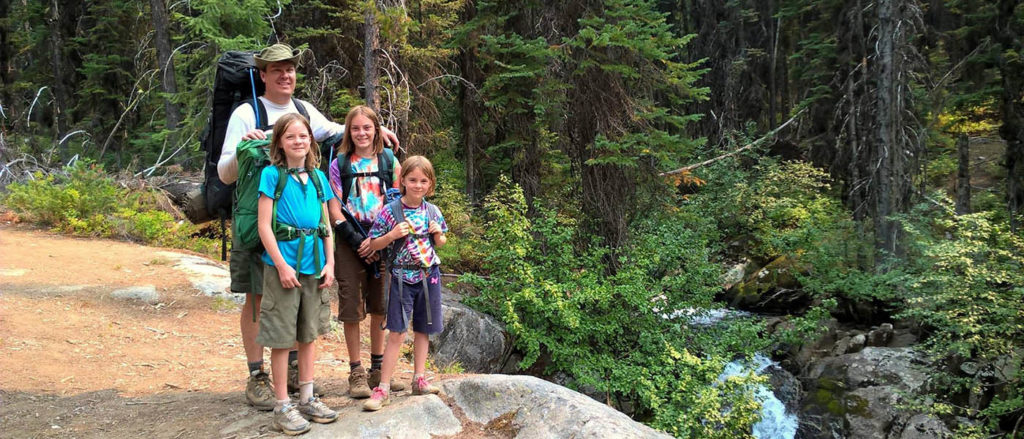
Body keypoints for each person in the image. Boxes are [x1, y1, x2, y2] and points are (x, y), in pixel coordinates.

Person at [216, 43, 399, 409]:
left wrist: (381, 133)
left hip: (303, 234)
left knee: (301, 296)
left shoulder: (303, 111)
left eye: (290, 69)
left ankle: (298, 375)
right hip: (258, 223)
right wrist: (242, 148)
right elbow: (223, 174)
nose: (286, 75)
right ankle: (258, 377)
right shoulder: (245, 114)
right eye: (277, 69)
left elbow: (338, 129)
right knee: (256, 298)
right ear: (262, 74)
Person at [256, 113, 338, 435]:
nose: (298, 142)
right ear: (279, 143)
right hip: (284, 267)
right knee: (281, 337)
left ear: (311, 141)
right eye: (290, 137)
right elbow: (265, 225)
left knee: (308, 334)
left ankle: (306, 396)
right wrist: (280, 264)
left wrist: (330, 263)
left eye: (303, 136)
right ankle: (282, 405)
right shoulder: (271, 176)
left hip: (314, 267)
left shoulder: (318, 177)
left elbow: (326, 226)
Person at [327, 106, 408, 398]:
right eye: (355, 128)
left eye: (367, 128)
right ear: (348, 132)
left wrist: (380, 240)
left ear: (377, 130)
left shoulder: (390, 162)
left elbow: (400, 203)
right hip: (351, 240)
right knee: (351, 307)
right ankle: (355, 371)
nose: (362, 134)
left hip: (385, 239)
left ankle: (377, 368)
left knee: (379, 306)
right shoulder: (339, 165)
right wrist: (354, 239)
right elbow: (334, 206)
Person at [361, 155, 448, 411]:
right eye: (412, 180)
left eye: (423, 181)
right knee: (397, 332)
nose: (418, 185)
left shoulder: (433, 211)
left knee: (424, 329)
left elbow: (441, 242)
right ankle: (383, 388)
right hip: (400, 277)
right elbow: (373, 244)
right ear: (403, 181)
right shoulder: (391, 211)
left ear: (430, 184)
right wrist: (391, 235)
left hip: (429, 275)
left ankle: (419, 378)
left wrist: (438, 235)